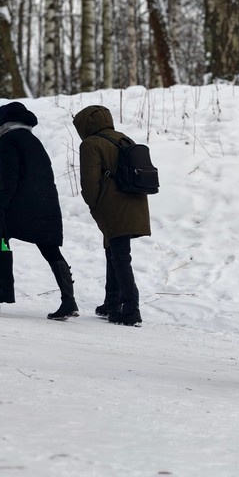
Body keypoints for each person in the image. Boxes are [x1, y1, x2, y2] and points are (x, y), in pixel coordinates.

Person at [0, 102, 79, 320]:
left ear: (3, 121)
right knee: (50, 250)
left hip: (19, 206)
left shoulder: (9, 139)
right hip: (45, 203)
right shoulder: (33, 140)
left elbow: (9, 178)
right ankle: (69, 301)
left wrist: (0, 207)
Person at [73, 105, 151, 327]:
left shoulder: (90, 144)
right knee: (114, 250)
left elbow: (89, 182)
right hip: (135, 200)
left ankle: (131, 309)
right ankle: (112, 302)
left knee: (119, 255)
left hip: (113, 204)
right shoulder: (123, 138)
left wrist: (94, 203)